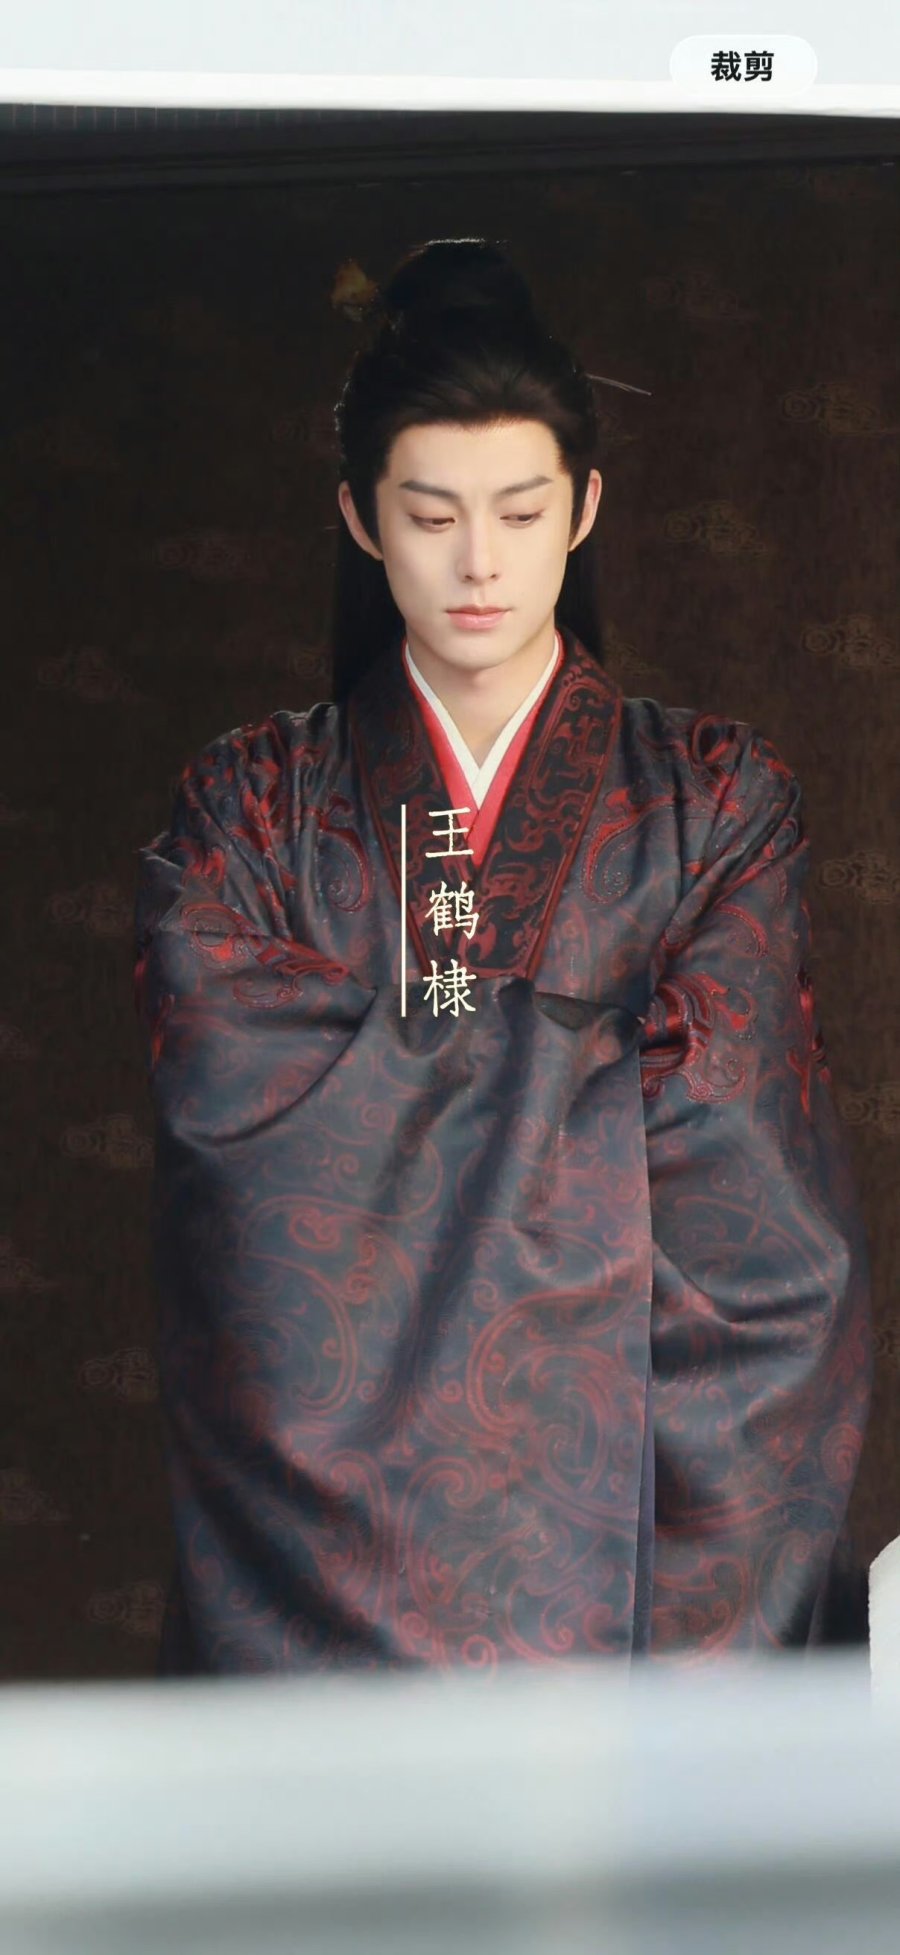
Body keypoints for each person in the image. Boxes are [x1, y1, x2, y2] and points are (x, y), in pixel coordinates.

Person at [133, 236, 872, 1675]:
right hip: (329, 1549)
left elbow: (749, 1203)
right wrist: (590, 1092)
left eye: (522, 511)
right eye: (431, 513)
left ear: (584, 508)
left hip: (636, 1528)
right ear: (361, 519)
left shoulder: (717, 804)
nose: (479, 563)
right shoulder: (250, 814)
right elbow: (247, 1187)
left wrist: (407, 1101)